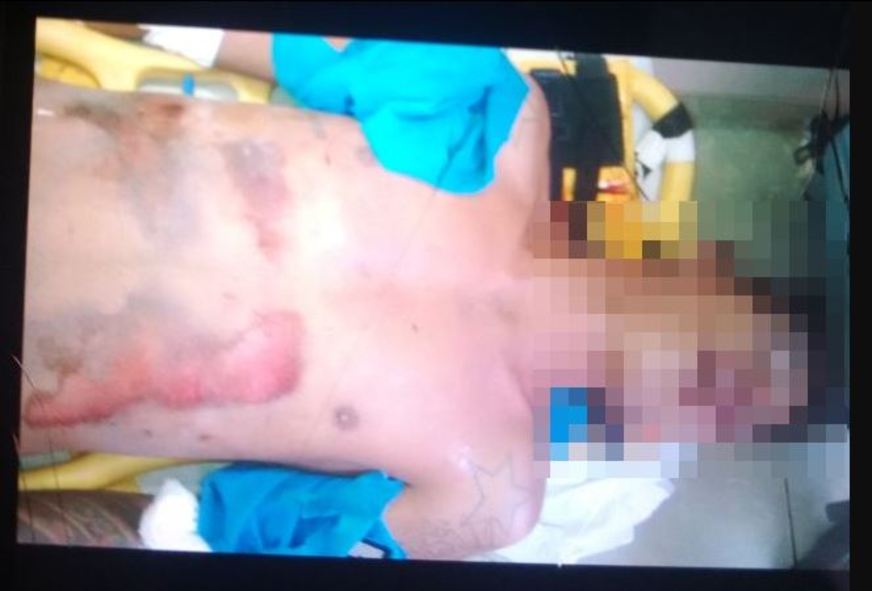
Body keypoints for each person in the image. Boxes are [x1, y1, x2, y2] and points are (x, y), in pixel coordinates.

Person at [18, 26, 811, 560]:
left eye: (715, 401)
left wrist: (161, 533)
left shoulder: (489, 495)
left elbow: (205, 530)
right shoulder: (500, 121)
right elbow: (243, 36)